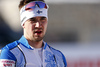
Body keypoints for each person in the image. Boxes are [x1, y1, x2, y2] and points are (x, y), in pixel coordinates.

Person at [0, 0, 67, 67]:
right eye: (32, 20)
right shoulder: (10, 53)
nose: (38, 25)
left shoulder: (58, 57)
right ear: (23, 23)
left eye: (42, 19)